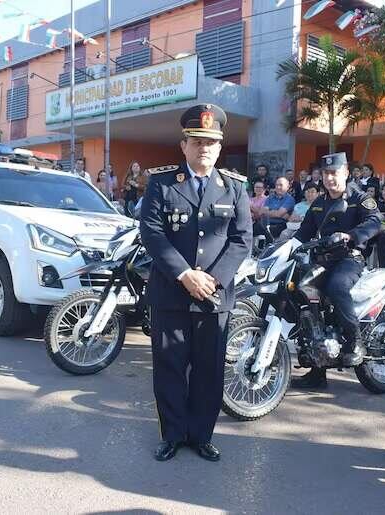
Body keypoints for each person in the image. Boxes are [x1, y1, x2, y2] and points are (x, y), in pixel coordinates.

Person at [139, 103, 252, 463]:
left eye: (211, 142)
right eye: (197, 140)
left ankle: (201, 435)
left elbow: (242, 239)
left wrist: (212, 280)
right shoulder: (161, 184)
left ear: (219, 148)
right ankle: (172, 435)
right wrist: (185, 275)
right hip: (172, 292)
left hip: (214, 297)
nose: (204, 148)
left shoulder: (233, 188)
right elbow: (152, 233)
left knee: (209, 369)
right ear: (183, 145)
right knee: (169, 366)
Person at [291, 152, 383, 389]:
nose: (330, 178)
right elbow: (302, 233)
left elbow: (375, 221)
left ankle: (355, 341)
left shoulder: (359, 198)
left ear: (345, 173)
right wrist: (284, 246)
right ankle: (317, 368)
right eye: (326, 174)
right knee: (304, 294)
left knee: (337, 286)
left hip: (350, 259)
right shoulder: (319, 203)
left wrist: (351, 236)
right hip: (324, 260)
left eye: (334, 173)